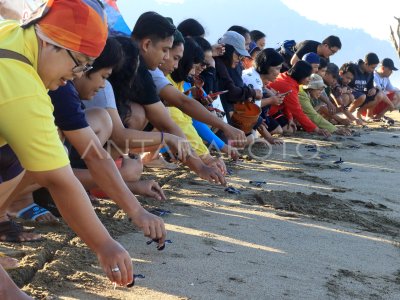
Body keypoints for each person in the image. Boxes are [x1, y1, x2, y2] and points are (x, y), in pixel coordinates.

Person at [0, 0, 133, 294]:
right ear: (51, 44)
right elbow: (60, 181)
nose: (76, 75)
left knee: (17, 153)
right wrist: (104, 245)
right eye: (81, 63)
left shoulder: (14, 34)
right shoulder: (23, 91)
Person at [268, 61, 330, 137]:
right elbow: (298, 112)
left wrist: (290, 118)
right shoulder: (288, 86)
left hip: (275, 110)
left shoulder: (287, 78)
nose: (309, 79)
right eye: (308, 76)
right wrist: (316, 129)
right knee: (282, 130)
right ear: (301, 75)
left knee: (290, 129)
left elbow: (287, 102)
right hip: (266, 112)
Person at [242, 48, 285, 144]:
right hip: (232, 115)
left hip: (241, 113)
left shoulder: (253, 75)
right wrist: (271, 100)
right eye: (277, 68)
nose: (279, 73)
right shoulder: (254, 80)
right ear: (266, 66)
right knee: (249, 140)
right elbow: (252, 107)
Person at [347, 52, 385, 120]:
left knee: (380, 95)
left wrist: (373, 89)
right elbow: (343, 80)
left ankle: (358, 113)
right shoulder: (352, 68)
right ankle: (348, 114)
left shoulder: (370, 73)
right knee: (362, 96)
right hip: (350, 94)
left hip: (362, 95)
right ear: (366, 64)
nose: (373, 70)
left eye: (375, 68)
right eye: (372, 67)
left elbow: (370, 86)